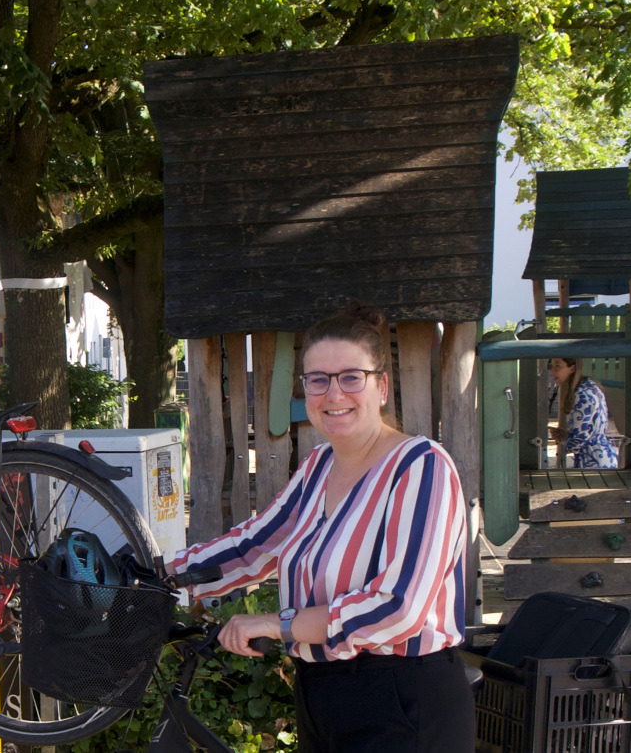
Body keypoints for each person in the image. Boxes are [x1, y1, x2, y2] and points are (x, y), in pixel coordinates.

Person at [165, 303, 471, 752]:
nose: (333, 394)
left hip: (404, 701)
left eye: (351, 377)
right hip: (322, 694)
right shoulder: (318, 466)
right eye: (318, 380)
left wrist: (276, 623)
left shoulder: (422, 467)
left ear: (382, 387)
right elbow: (255, 545)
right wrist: (162, 576)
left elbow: (398, 608)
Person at [549, 356, 619, 469]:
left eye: (557, 366)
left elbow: (578, 441)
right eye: (551, 366)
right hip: (602, 456)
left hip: (591, 461)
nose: (552, 371)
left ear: (572, 368)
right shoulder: (589, 385)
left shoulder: (581, 395)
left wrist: (564, 438)